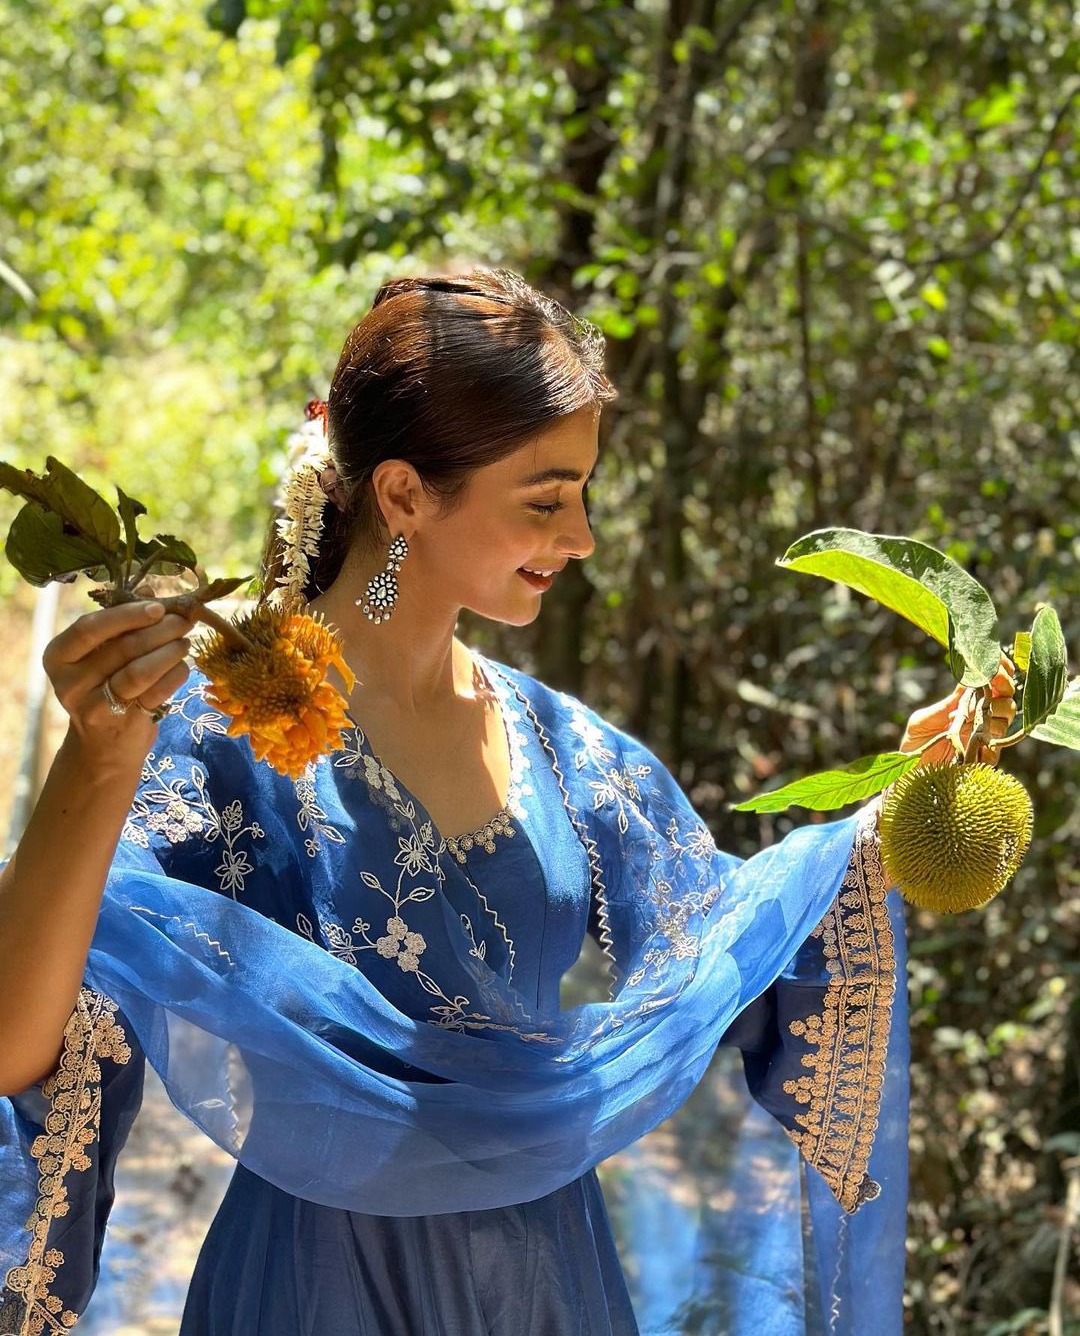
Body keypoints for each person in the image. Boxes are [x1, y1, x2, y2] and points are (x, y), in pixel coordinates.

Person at [0, 267, 1016, 1335]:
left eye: (583, 493)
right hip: (315, 1291)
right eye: (546, 500)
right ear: (402, 495)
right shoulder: (218, 740)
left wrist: (905, 811)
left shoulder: (567, 752)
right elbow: (21, 1045)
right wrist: (98, 760)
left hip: (550, 1287)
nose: (580, 538)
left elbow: (742, 961)